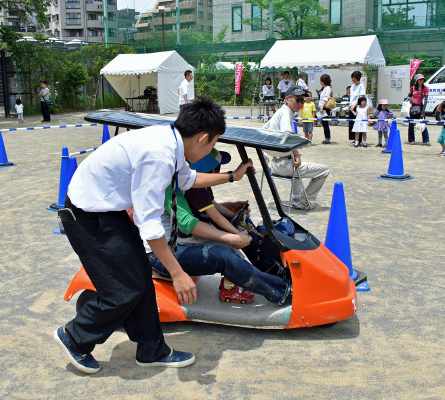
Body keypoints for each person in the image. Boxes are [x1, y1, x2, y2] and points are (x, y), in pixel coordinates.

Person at [53, 97, 254, 374]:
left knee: (140, 281)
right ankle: (74, 336)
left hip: (108, 210)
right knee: (122, 289)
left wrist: (232, 176)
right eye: (214, 142)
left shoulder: (172, 141)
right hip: (87, 215)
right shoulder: (158, 155)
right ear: (203, 138)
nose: (212, 149)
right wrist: (178, 273)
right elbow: (149, 223)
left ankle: (151, 349)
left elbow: (189, 180)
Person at [150, 150, 291, 305]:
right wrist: (232, 237)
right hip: (164, 253)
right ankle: (280, 291)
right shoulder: (170, 181)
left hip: (178, 241)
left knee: (242, 229)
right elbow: (188, 223)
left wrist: (231, 213)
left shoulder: (184, 179)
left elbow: (205, 207)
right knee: (225, 255)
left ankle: (272, 270)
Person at [263, 85, 330, 210]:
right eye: (297, 100)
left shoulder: (279, 112)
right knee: (324, 170)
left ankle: (297, 198)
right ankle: (305, 200)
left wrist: (268, 154)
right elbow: (287, 135)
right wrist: (297, 154)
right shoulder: (285, 113)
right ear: (287, 99)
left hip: (277, 163)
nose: (300, 103)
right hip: (285, 165)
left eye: (302, 100)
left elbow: (263, 131)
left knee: (297, 164)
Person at [407, 73, 431, 146]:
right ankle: (411, 140)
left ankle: (426, 140)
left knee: (423, 124)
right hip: (413, 107)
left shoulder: (425, 88)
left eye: (422, 79)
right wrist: (411, 99)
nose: (421, 81)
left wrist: (423, 111)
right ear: (417, 80)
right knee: (411, 124)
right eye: (420, 79)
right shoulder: (412, 88)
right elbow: (408, 96)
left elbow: (426, 100)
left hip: (420, 107)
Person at [348, 71, 366, 144]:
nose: (353, 79)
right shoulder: (352, 86)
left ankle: (359, 140)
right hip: (351, 106)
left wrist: (354, 106)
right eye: (352, 78)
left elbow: (360, 98)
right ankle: (354, 139)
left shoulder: (361, 86)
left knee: (358, 123)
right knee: (352, 123)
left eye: (354, 78)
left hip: (357, 107)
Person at [317, 74, 333, 144]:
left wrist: (322, 106)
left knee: (325, 124)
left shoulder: (328, 88)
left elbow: (326, 98)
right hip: (322, 107)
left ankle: (327, 139)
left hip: (325, 108)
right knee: (324, 124)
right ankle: (326, 138)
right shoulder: (324, 88)